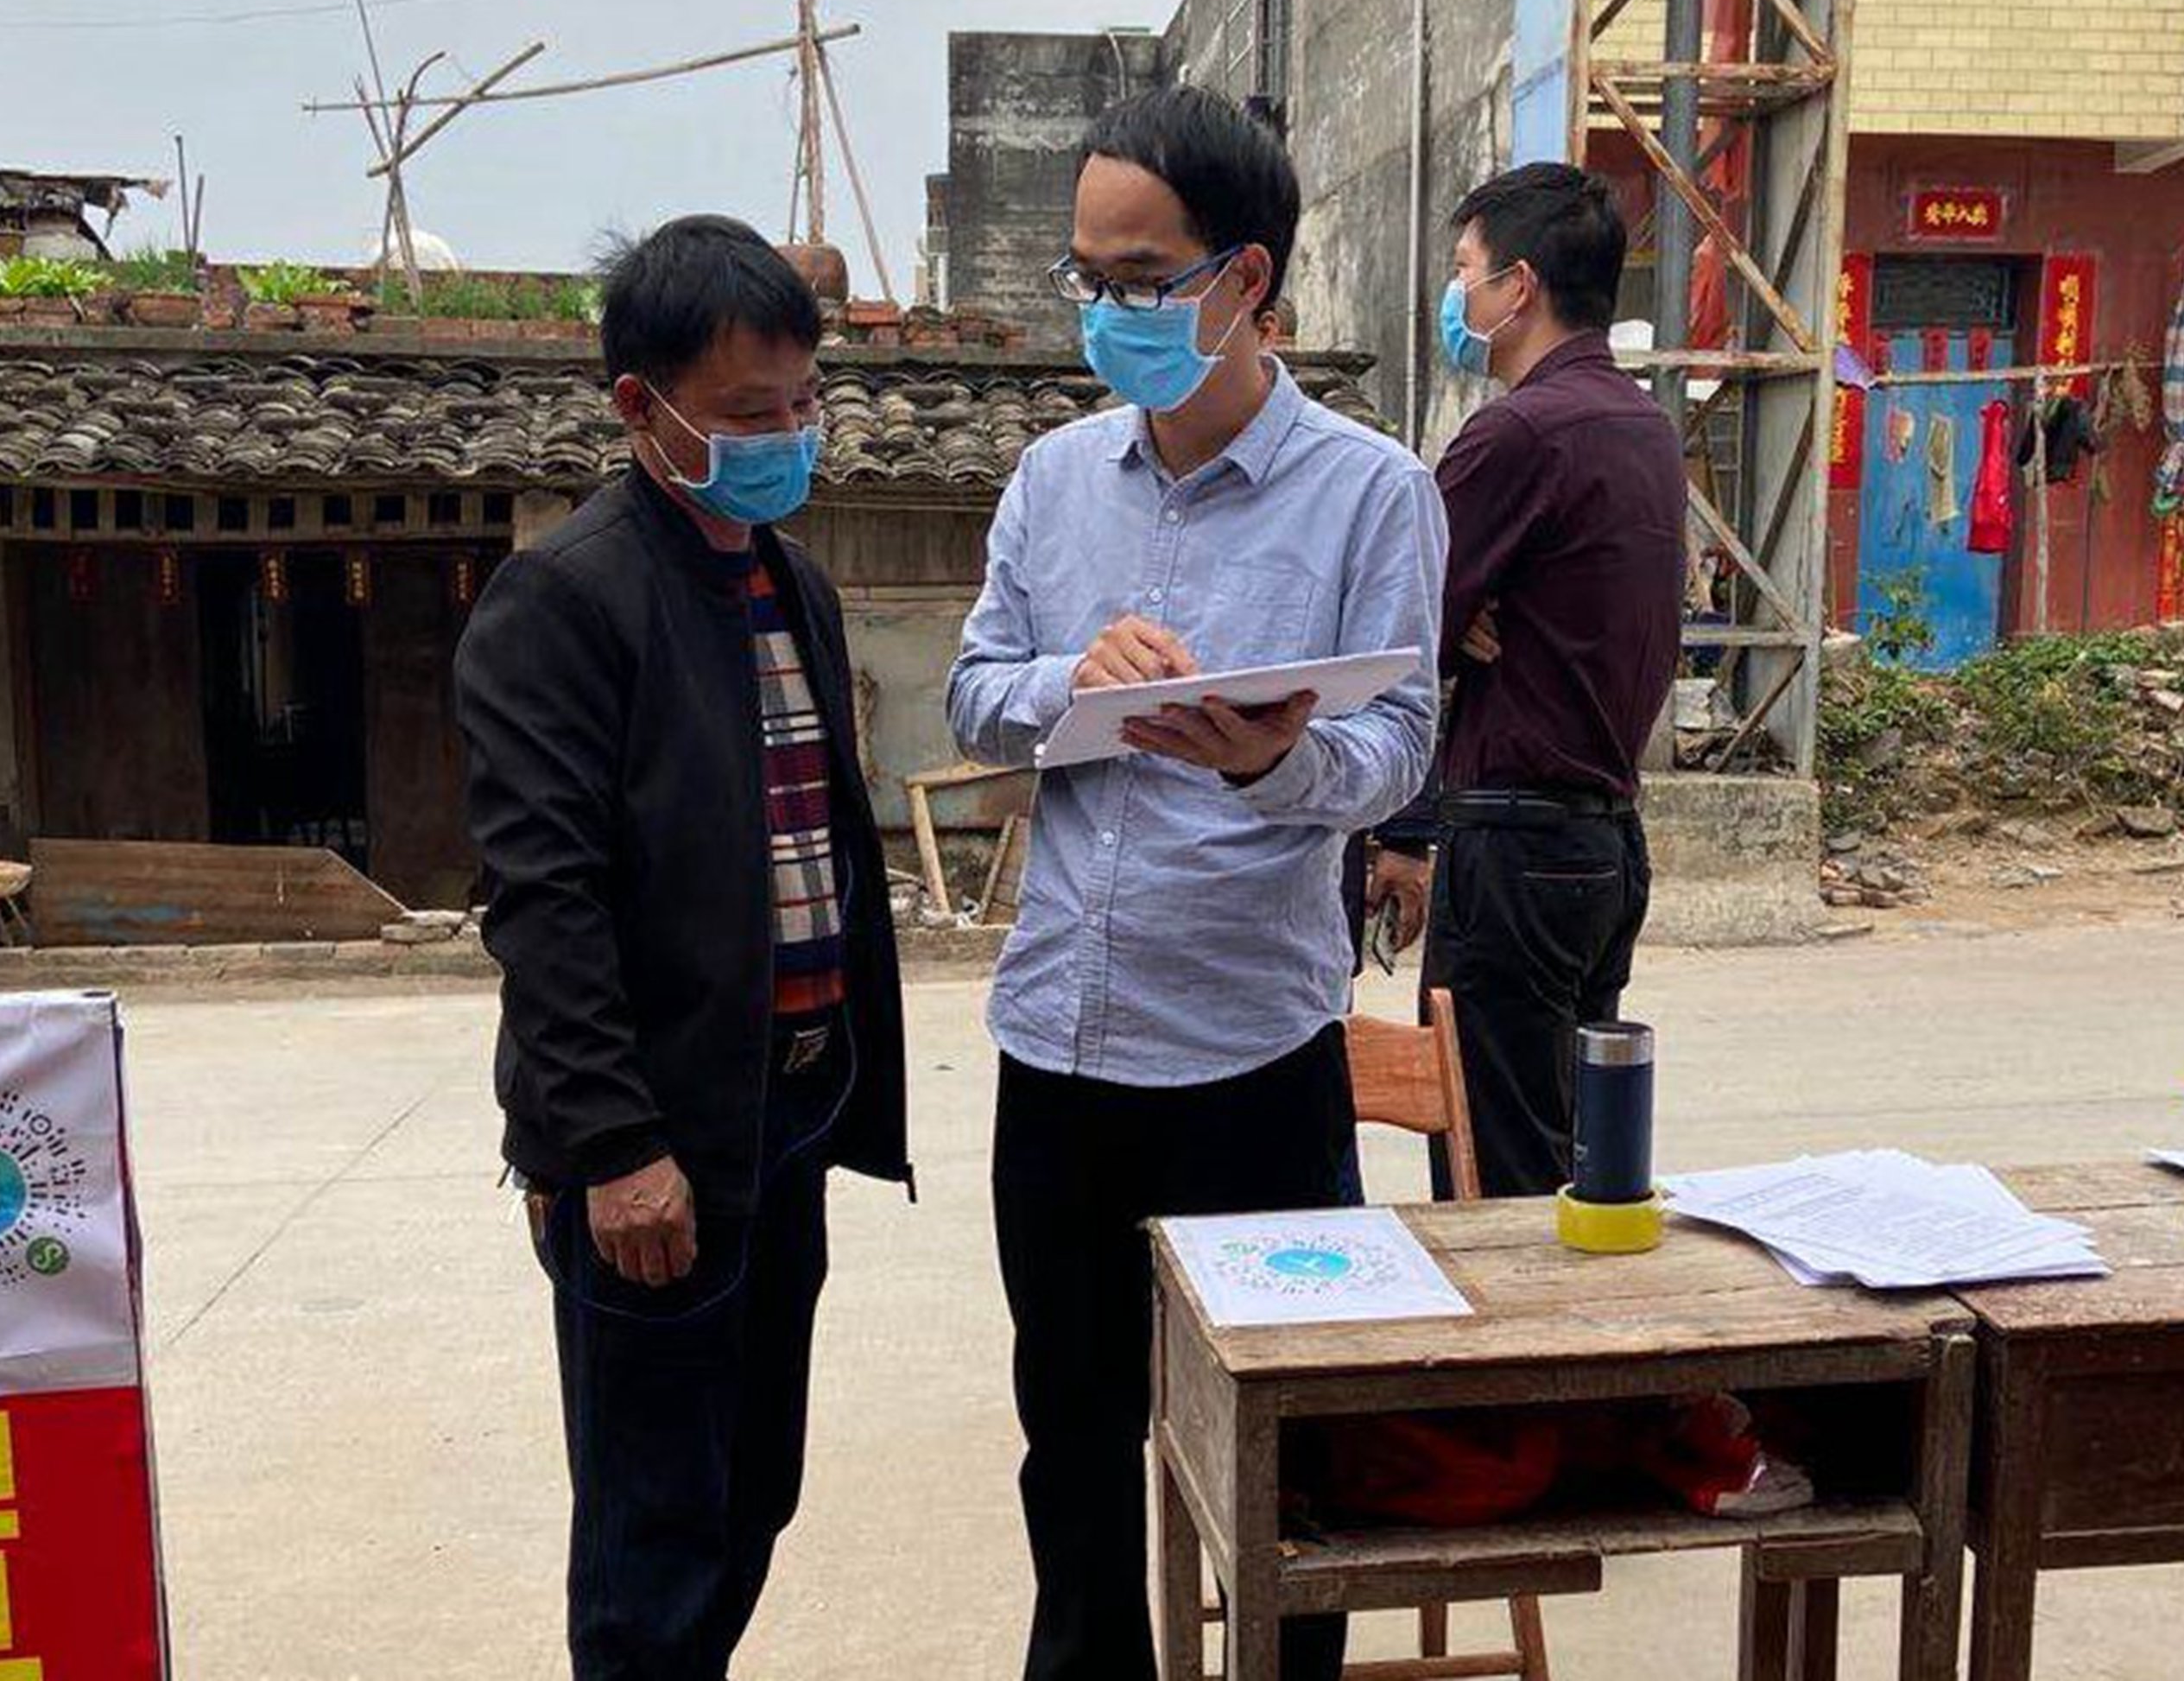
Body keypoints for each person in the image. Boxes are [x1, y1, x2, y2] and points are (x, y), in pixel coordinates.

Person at [948, 85, 1446, 1681]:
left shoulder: (1371, 491)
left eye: (1140, 279)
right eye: (1085, 277)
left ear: (1245, 279)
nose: (1106, 311)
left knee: (1291, 1451)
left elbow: (1400, 749)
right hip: (1059, 1045)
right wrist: (1065, 681)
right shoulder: (1052, 480)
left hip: (1251, 1057)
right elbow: (972, 693)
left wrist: (1268, 761)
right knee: (1072, 1435)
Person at [455, 214, 912, 1681]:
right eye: (745, 413)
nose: (784, 437)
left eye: (803, 403)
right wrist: (612, 1145)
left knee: (751, 1488)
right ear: (638, 407)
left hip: (787, 1110)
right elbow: (546, 900)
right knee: (653, 1526)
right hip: (656, 1135)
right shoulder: (566, 598)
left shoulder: (791, 581)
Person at [1425, 162, 1685, 1197]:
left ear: (1519, 285)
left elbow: (1399, 627)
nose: (1459, 294)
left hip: (1515, 846)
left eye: (1466, 271)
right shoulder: (1643, 427)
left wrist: (1457, 623)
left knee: (1495, 1173)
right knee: (1577, 1160)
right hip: (1603, 843)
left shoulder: (1518, 433)